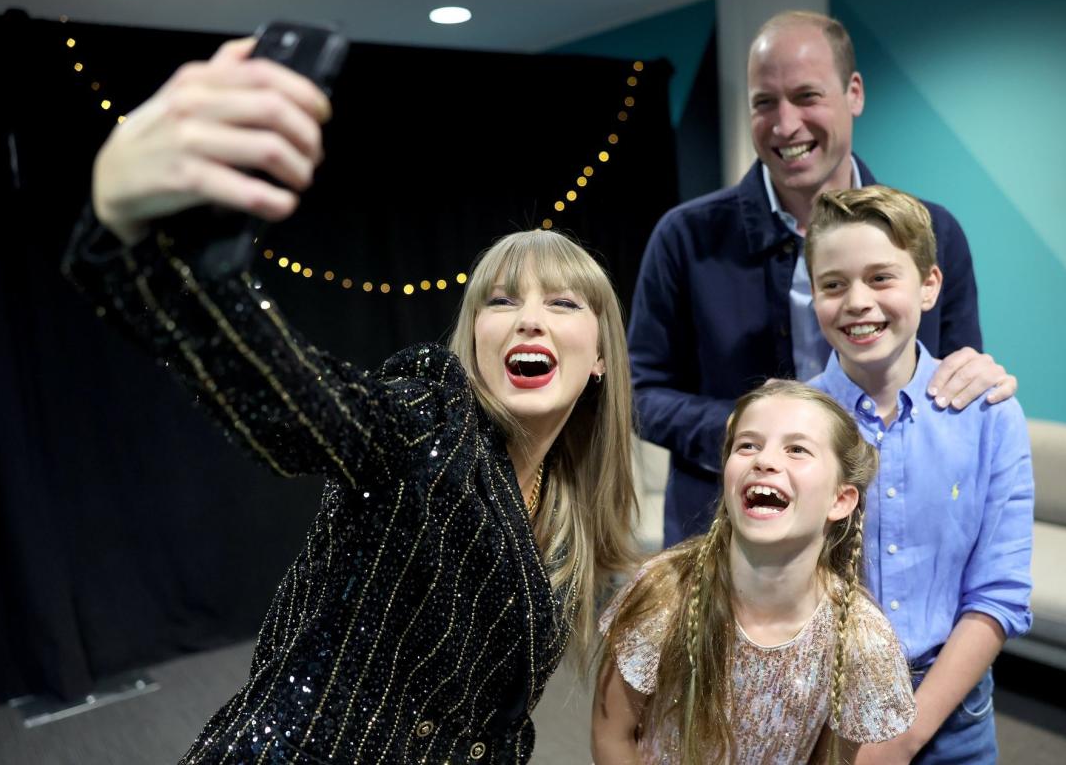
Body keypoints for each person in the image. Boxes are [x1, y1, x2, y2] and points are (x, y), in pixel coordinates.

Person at [63, 38, 640, 764]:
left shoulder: (565, 511)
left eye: (561, 303)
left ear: (599, 359)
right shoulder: (428, 418)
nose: (529, 318)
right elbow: (299, 404)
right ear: (471, 341)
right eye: (500, 302)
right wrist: (131, 238)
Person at [627, 10, 1018, 546]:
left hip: (892, 536)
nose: (785, 125)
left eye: (807, 96)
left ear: (853, 92)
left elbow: (954, 379)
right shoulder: (684, 237)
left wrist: (979, 377)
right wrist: (746, 432)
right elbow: (638, 392)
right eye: (765, 103)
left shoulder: (935, 233)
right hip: (724, 536)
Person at [805, 185, 1033, 764]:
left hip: (954, 716)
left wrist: (903, 737)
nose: (857, 301)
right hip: (820, 711)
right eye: (834, 284)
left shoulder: (990, 416)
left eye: (882, 278)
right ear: (813, 295)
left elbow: (999, 594)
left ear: (929, 285)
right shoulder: (792, 421)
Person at [591, 380, 916, 765]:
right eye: (747, 445)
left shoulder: (860, 638)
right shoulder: (665, 594)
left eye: (797, 449)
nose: (764, 461)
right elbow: (612, 735)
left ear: (840, 499)